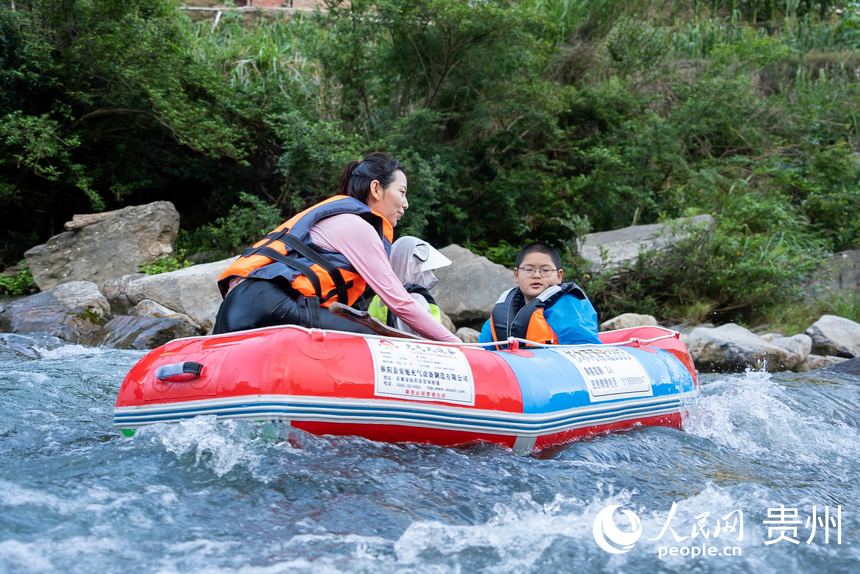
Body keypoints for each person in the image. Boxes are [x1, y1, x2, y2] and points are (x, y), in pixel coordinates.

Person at [213, 152, 460, 343]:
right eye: (402, 192)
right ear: (376, 188)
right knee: (373, 341)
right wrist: (458, 344)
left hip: (239, 304)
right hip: (270, 303)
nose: (405, 204)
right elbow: (400, 302)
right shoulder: (358, 227)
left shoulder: (340, 217)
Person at [477, 242, 601, 346]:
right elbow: (482, 352)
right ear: (516, 275)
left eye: (545, 270)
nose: (536, 275)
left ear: (559, 276)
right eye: (529, 270)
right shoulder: (504, 312)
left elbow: (584, 349)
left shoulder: (568, 305)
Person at [367, 236, 451, 335]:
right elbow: (424, 339)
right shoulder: (415, 300)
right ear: (413, 267)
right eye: (429, 270)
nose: (432, 275)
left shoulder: (379, 297)